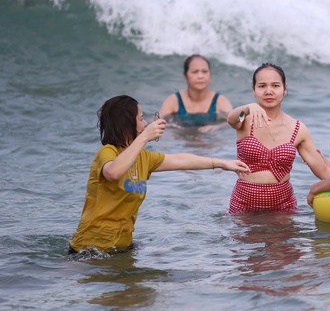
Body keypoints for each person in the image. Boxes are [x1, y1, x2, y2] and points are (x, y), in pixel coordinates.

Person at [69, 95, 249, 254]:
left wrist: (222, 163)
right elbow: (114, 172)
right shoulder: (107, 153)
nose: (146, 123)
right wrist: (145, 137)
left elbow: (180, 160)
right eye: (141, 119)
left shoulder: (144, 158)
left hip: (121, 247)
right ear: (126, 124)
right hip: (90, 249)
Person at [226, 63, 330, 214]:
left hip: (283, 207)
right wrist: (246, 108)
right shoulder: (244, 119)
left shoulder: (298, 128)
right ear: (254, 90)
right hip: (243, 205)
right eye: (262, 86)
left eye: (275, 85)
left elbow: (323, 170)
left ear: (285, 89)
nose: (269, 91)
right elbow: (231, 120)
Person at [159, 55, 231, 127]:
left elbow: (232, 123)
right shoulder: (174, 101)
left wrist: (216, 127)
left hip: (210, 137)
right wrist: (173, 127)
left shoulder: (220, 101)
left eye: (205, 71)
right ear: (185, 76)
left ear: (210, 75)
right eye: (195, 72)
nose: (200, 76)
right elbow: (158, 123)